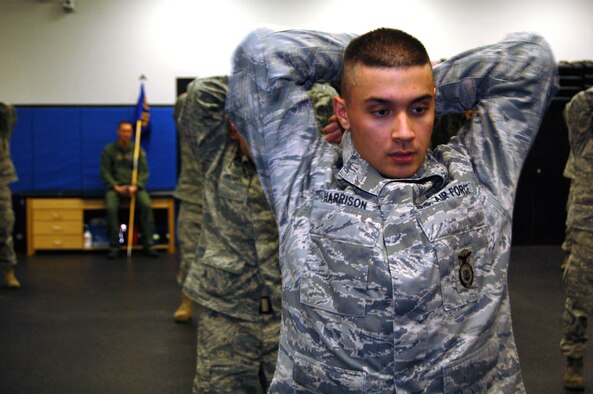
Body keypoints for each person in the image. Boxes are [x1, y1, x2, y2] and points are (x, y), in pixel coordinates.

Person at [226, 27, 558, 392]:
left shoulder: (479, 174)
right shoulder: (305, 180)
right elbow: (262, 55)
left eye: (419, 108)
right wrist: (360, 64)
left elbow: (530, 60)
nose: (404, 132)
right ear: (344, 111)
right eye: (380, 110)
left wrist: (419, 81)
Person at [179, 76, 282, 393]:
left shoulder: (301, 164)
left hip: (291, 317)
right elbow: (201, 92)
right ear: (232, 126)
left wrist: (282, 83)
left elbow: (324, 94)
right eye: (247, 127)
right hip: (228, 315)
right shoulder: (216, 158)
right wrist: (258, 74)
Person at [560, 86, 593, 391]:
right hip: (587, 225)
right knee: (579, 298)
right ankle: (574, 358)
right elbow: (578, 105)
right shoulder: (584, 135)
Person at [100, 120, 158, 259]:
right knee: (111, 208)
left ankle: (148, 245)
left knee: (146, 205)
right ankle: (115, 246)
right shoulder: (109, 150)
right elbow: (105, 171)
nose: (126, 134)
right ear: (118, 132)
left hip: (135, 187)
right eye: (124, 131)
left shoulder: (137, 150)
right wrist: (114, 186)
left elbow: (144, 171)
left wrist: (136, 185)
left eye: (129, 131)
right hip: (116, 187)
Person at [171, 92, 203, 322]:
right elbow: (183, 101)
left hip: (224, 197)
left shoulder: (230, 124)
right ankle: (186, 302)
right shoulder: (187, 123)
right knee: (189, 253)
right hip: (193, 195)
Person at [0, 102, 20, 289]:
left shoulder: (3, 130)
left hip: (1, 180)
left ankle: (9, 271)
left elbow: (9, 111)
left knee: (5, 225)